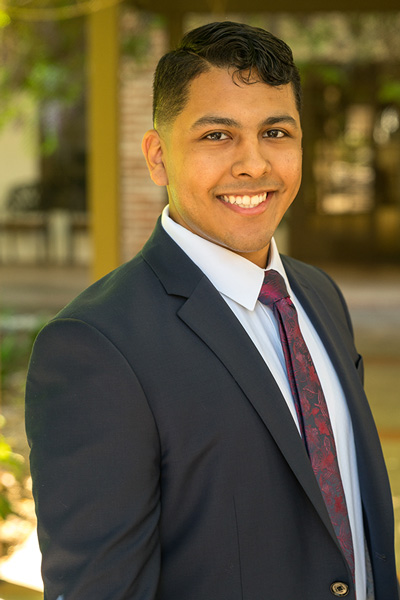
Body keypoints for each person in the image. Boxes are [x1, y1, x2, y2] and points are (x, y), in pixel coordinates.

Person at [25, 21, 398, 600]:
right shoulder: (95, 347)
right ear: (157, 157)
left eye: (276, 131)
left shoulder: (319, 296)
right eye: (217, 136)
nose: (253, 165)